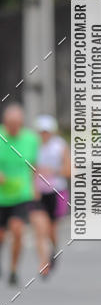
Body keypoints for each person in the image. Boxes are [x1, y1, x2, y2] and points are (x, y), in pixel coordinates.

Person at [0, 103, 39, 285]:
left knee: (17, 230)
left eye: (17, 123)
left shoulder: (31, 140)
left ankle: (14, 269)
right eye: (10, 124)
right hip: (1, 195)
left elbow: (35, 165)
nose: (13, 127)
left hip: (21, 194)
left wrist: (36, 185)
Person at [29, 115, 70, 276]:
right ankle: (43, 262)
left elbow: (69, 170)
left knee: (52, 229)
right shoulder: (32, 146)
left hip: (56, 191)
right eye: (41, 132)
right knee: (40, 228)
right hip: (37, 193)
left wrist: (53, 171)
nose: (43, 135)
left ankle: (53, 250)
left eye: (46, 131)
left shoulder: (59, 146)